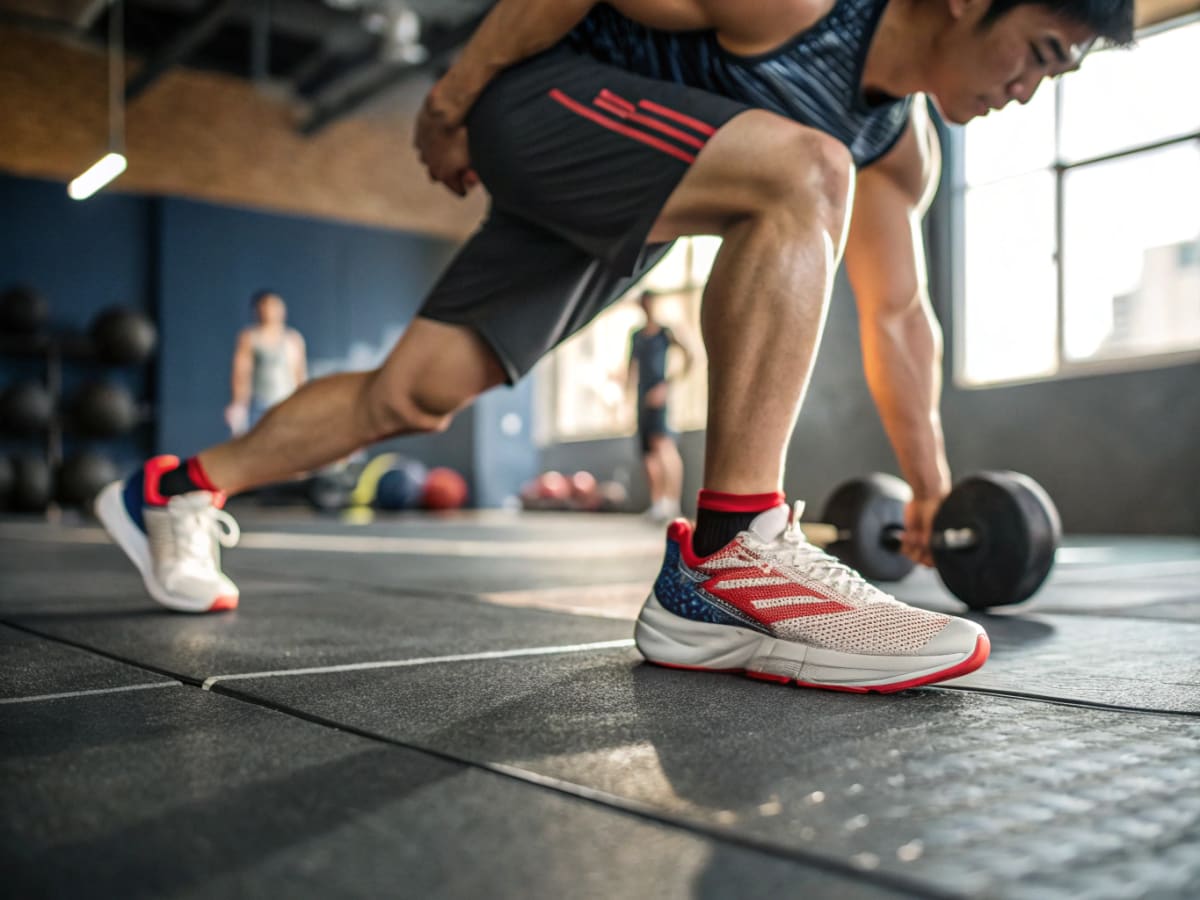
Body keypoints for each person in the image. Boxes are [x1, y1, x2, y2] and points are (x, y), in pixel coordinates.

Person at [95, 0, 1132, 690]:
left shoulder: (899, 147)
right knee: (805, 173)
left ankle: (176, 487)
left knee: (415, 395)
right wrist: (454, 101)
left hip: (643, 188)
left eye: (1058, 74)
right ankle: (731, 556)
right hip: (544, 100)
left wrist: (933, 484)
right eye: (1039, 53)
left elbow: (899, 315)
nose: (1028, 89)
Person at [625, 290, 693, 522]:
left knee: (663, 446)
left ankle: (671, 503)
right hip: (641, 399)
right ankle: (657, 504)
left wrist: (667, 385)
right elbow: (630, 368)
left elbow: (689, 357)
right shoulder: (636, 335)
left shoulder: (665, 333)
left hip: (659, 397)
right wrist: (627, 396)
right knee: (648, 454)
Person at [224, 290, 307, 435]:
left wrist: (303, 404)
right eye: (266, 306)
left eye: (275, 306)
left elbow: (300, 374)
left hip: (288, 403)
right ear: (258, 311)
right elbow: (241, 374)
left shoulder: (293, 339)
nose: (270, 311)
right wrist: (238, 405)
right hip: (260, 405)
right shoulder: (250, 337)